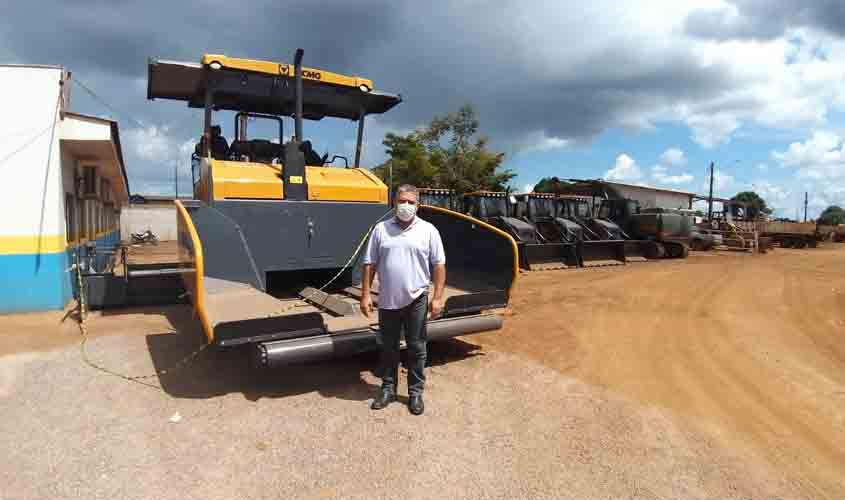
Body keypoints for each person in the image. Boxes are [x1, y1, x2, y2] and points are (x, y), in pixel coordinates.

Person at [360, 184, 446, 416]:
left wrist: (437, 297)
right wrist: (366, 293)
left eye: (410, 202)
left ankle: (415, 392)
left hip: (417, 297)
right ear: (394, 203)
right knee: (388, 347)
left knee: (417, 347)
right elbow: (370, 263)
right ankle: (388, 388)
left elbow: (438, 265)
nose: (405, 206)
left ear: (418, 205)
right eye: (401, 201)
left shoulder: (428, 231)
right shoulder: (381, 229)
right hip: (387, 299)